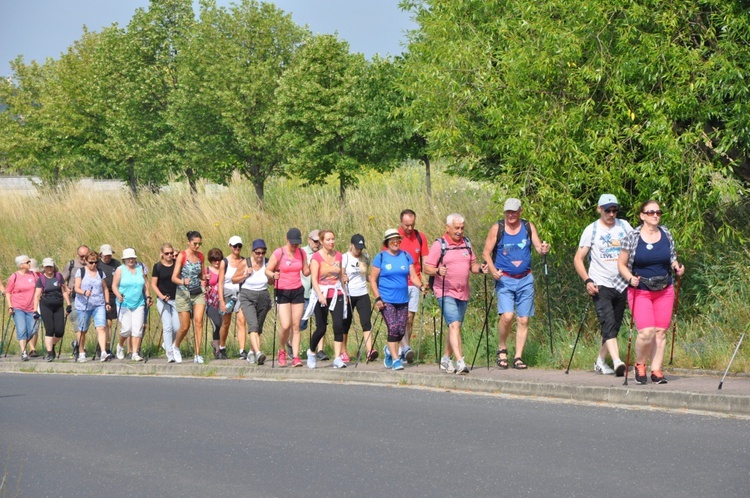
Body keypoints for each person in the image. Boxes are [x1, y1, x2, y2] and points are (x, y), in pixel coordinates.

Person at [617, 200, 685, 385]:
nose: (655, 215)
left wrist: (676, 267)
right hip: (641, 289)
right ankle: (640, 364)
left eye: (658, 212)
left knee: (660, 332)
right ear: (642, 216)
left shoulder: (666, 233)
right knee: (646, 332)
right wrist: (630, 278)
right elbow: (621, 264)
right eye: (651, 212)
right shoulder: (632, 236)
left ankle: (656, 370)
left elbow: (671, 258)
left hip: (664, 289)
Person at [482, 198, 550, 370]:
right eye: (508, 212)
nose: (510, 215)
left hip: (525, 279)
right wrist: (492, 269)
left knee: (523, 319)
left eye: (513, 211)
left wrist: (543, 249)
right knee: (507, 316)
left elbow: (538, 248)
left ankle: (518, 356)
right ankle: (502, 348)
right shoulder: (498, 228)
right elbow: (486, 253)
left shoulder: (528, 226)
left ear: (520, 211)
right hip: (505, 279)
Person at [573, 194, 632, 376]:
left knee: (614, 326)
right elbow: (578, 259)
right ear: (599, 209)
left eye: (615, 210)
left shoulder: (624, 226)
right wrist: (587, 280)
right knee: (607, 322)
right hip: (600, 284)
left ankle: (600, 361)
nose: (612, 214)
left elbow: (635, 248)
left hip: (621, 283)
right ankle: (617, 362)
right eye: (608, 210)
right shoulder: (592, 230)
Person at [424, 214, 486, 374]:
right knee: (454, 325)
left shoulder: (466, 243)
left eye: (462, 228)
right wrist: (438, 270)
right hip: (444, 291)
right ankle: (460, 362)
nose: (460, 231)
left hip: (463, 292)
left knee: (455, 327)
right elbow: (427, 267)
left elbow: (472, 265)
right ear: (448, 228)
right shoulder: (440, 245)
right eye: (456, 228)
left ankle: (445, 359)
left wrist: (480, 269)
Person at [370, 229, 422, 371]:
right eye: (392, 240)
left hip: (403, 300)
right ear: (387, 243)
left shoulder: (406, 256)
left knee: (400, 331)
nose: (395, 243)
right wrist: (377, 298)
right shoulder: (380, 257)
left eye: (397, 240)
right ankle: (396, 359)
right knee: (393, 329)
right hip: (387, 300)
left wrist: (421, 286)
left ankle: (388, 350)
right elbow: (373, 280)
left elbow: (413, 276)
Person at [265, 228, 310, 367]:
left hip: (297, 290)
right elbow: (268, 270)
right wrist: (273, 275)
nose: (295, 246)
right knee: (286, 325)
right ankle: (282, 349)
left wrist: (315, 266)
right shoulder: (280, 252)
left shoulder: (301, 253)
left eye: (297, 243)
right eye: (293, 243)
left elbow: (306, 272)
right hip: (282, 291)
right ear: (287, 240)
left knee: (296, 326)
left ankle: (296, 356)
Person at [392, 209, 429, 363]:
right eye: (406, 225)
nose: (409, 228)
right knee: (399, 318)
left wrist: (426, 280)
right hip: (398, 284)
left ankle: (402, 348)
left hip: (415, 282)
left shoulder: (420, 237)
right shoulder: (394, 238)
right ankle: (404, 349)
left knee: (409, 318)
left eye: (412, 225)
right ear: (401, 222)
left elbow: (425, 262)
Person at [306, 229, 346, 369]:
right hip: (321, 293)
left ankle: (337, 357)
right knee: (321, 328)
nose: (331, 242)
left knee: (338, 325)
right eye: (328, 240)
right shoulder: (316, 257)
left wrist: (345, 293)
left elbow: (340, 276)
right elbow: (314, 279)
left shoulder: (339, 256)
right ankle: (311, 351)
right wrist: (320, 296)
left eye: (333, 239)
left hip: (336, 292)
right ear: (322, 241)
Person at [171, 231, 206, 364]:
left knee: (198, 321)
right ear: (188, 242)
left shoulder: (201, 256)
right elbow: (174, 277)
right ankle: (176, 345)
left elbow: (202, 275)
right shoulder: (182, 256)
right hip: (183, 293)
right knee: (185, 326)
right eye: (194, 243)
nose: (197, 246)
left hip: (197, 292)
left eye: (199, 244)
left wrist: (205, 278)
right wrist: (183, 281)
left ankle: (197, 354)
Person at [236, 239, 272, 365]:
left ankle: (252, 351)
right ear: (253, 252)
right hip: (247, 295)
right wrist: (245, 275)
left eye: (263, 253)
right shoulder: (245, 262)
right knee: (253, 325)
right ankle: (258, 353)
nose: (260, 255)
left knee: (258, 328)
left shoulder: (267, 263)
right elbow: (234, 279)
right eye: (257, 253)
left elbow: (272, 282)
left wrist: (273, 276)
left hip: (263, 295)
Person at [112, 248, 152, 361]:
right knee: (126, 329)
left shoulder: (140, 268)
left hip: (139, 302)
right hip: (123, 303)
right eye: (128, 258)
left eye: (133, 258)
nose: (131, 260)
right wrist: (118, 295)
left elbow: (145, 285)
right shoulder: (120, 270)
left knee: (137, 329)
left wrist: (148, 296)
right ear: (124, 259)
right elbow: (114, 285)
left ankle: (135, 353)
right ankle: (120, 346)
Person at [341, 234, 376, 362]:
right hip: (349, 293)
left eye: (361, 248)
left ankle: (369, 351)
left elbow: (365, 276)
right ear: (351, 245)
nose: (359, 250)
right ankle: (343, 351)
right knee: (346, 324)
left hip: (362, 293)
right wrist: (343, 280)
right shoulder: (345, 257)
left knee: (366, 322)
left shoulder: (365, 257)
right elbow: (341, 274)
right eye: (357, 247)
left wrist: (373, 279)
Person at [73, 251, 112, 362]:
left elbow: (105, 288)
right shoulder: (80, 272)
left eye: (96, 262)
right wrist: (84, 292)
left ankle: (103, 352)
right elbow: (76, 288)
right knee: (82, 330)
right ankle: (81, 351)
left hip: (98, 304)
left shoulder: (100, 272)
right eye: (91, 262)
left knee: (101, 327)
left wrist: (107, 302)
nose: (93, 265)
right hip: (83, 305)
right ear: (85, 261)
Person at [33, 258, 72, 362]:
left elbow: (64, 291)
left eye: (50, 266)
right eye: (47, 267)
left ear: (53, 266)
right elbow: (37, 295)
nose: (49, 268)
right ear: (43, 268)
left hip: (58, 306)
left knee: (59, 331)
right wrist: (35, 311)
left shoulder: (58, 277)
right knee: (50, 330)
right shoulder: (41, 279)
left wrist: (68, 304)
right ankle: (50, 353)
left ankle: (52, 344)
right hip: (45, 306)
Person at [217, 236, 248, 359]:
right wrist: (221, 301)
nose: (237, 248)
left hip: (241, 293)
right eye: (235, 246)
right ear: (230, 246)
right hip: (227, 293)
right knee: (226, 323)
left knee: (241, 321)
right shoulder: (225, 262)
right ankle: (222, 347)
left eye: (239, 246)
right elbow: (220, 282)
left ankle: (242, 350)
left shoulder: (245, 261)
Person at [5, 255, 38, 361]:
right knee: (21, 328)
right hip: (18, 307)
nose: (29, 263)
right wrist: (10, 306)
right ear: (20, 265)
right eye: (27, 262)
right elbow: (8, 292)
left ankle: (23, 345)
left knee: (33, 329)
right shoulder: (14, 276)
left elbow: (39, 287)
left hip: (32, 307)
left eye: (29, 261)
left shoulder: (33, 275)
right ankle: (23, 351)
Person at [299, 229, 326, 359]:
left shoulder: (324, 254)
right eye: (315, 241)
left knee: (321, 323)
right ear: (309, 240)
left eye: (319, 242)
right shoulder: (302, 252)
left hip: (319, 293)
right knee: (300, 324)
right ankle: (291, 345)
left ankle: (319, 350)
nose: (317, 244)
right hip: (304, 293)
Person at [151, 243, 180, 362]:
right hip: (163, 300)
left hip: (176, 299)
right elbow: (153, 284)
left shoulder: (177, 265)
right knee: (167, 326)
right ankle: (170, 353)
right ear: (162, 254)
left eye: (171, 253)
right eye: (167, 253)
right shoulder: (157, 267)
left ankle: (168, 344)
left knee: (177, 327)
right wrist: (162, 296)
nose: (169, 255)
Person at [97, 244, 120, 356]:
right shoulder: (97, 264)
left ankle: (104, 345)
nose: (108, 257)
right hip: (102, 295)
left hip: (115, 294)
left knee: (113, 323)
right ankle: (105, 347)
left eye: (109, 255)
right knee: (107, 323)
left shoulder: (116, 264)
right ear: (100, 254)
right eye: (105, 255)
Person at [61, 245, 90, 326]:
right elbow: (61, 280)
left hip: (89, 298)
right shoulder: (71, 264)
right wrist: (66, 288)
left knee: (85, 324)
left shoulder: (92, 264)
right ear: (77, 255)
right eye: (82, 256)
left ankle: (78, 339)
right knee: (78, 323)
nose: (84, 258)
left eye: (86, 256)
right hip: (74, 298)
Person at [204, 248, 225, 360]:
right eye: (214, 260)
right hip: (211, 301)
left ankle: (219, 347)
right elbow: (202, 284)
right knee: (216, 323)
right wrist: (205, 285)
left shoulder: (223, 269)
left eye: (218, 260)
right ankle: (216, 347)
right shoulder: (207, 270)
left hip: (222, 300)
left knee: (222, 324)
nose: (216, 263)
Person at [26, 259, 42, 356]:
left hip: (38, 304)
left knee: (35, 327)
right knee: (30, 327)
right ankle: (29, 348)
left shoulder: (40, 277)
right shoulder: (22, 277)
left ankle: (32, 348)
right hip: (25, 304)